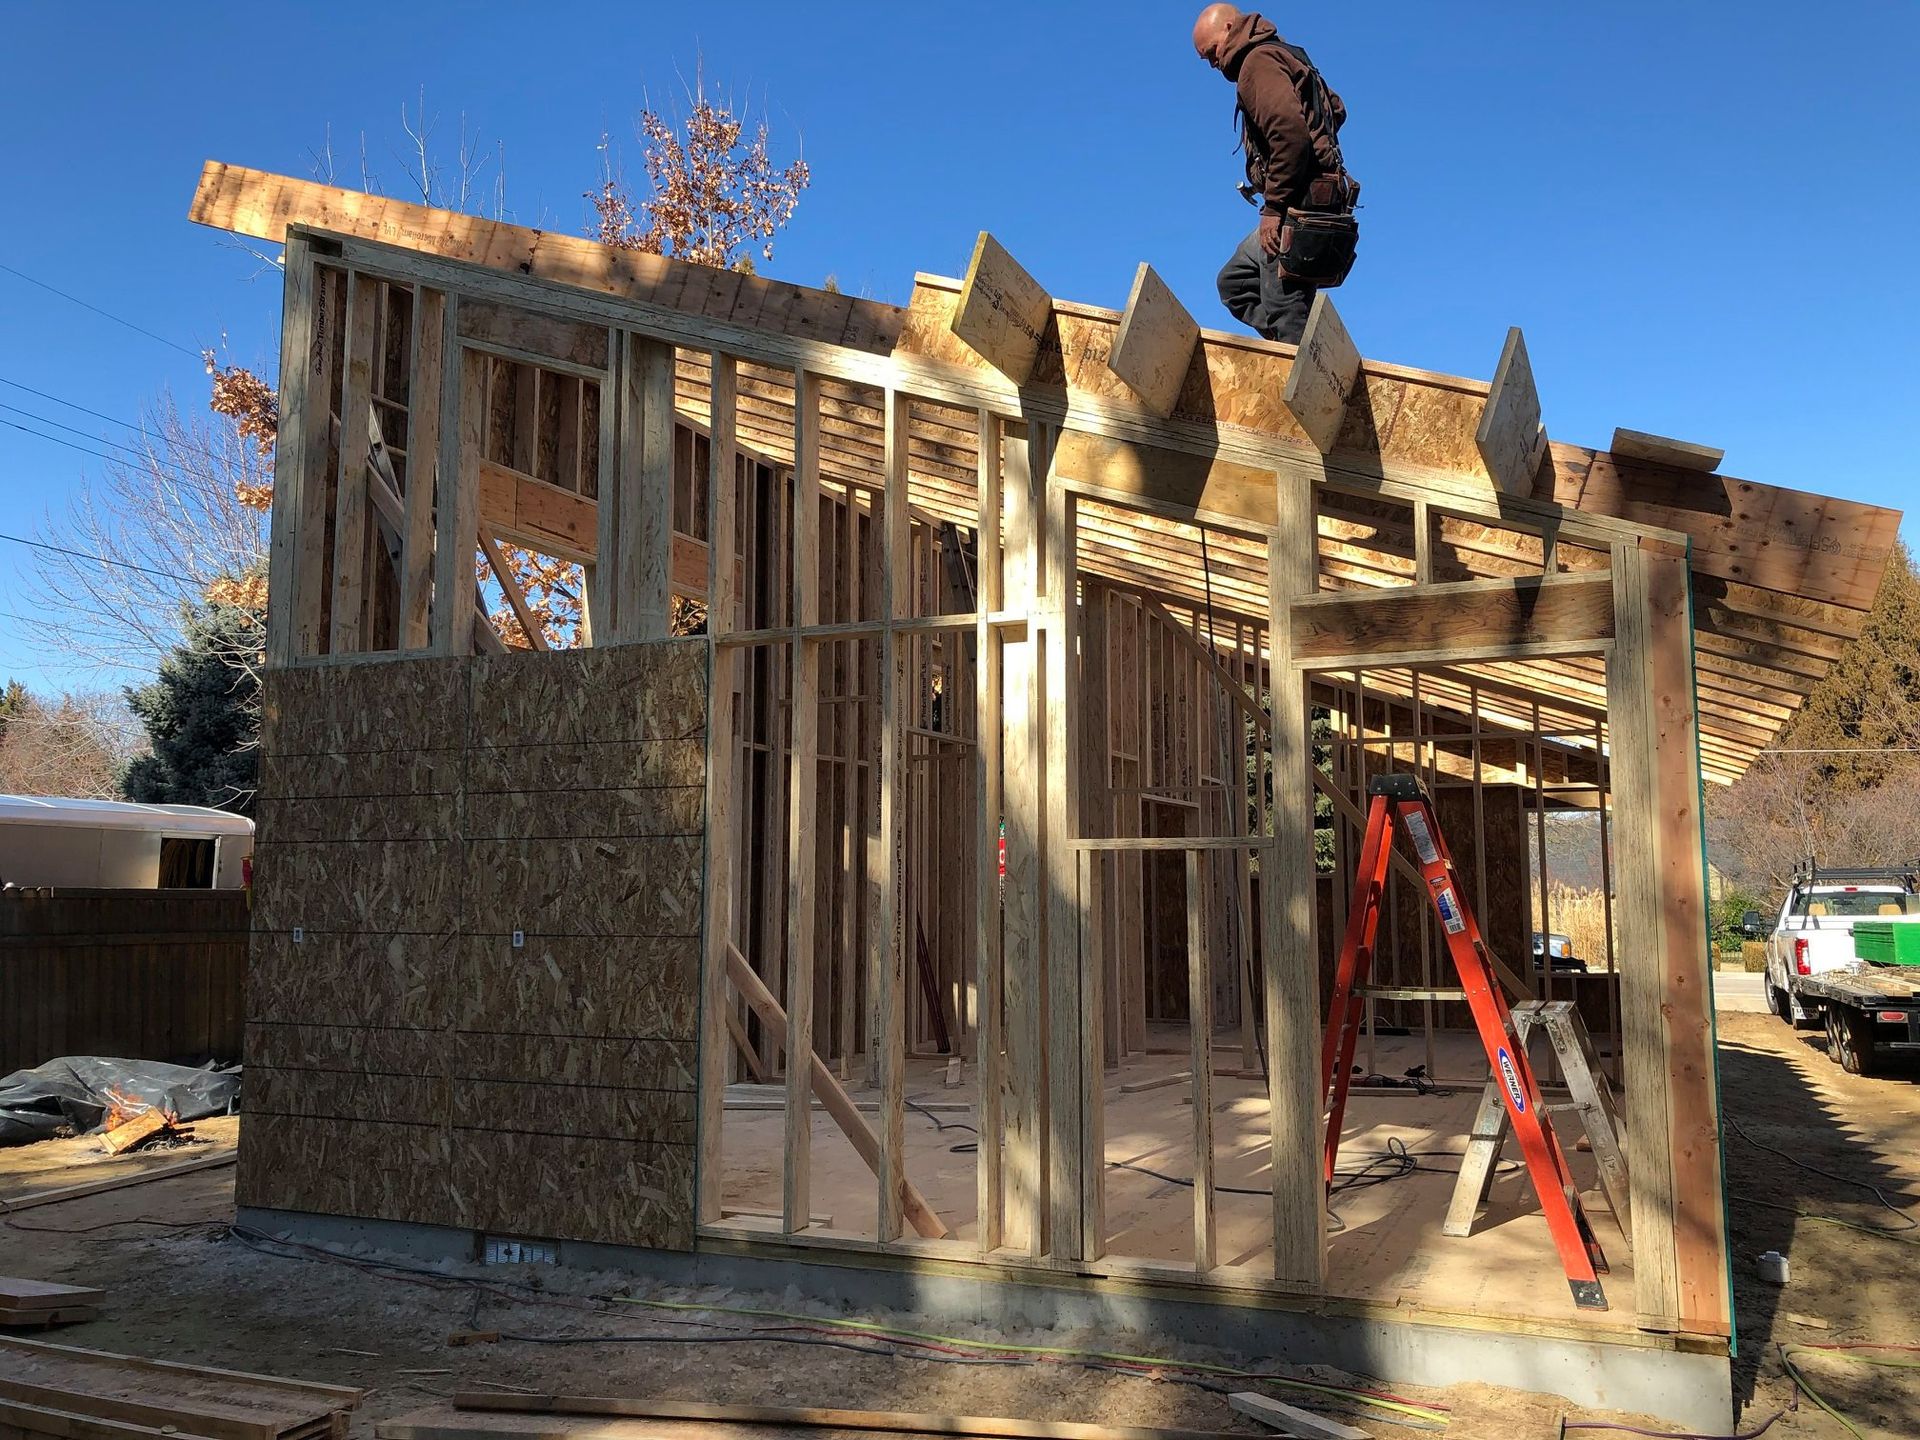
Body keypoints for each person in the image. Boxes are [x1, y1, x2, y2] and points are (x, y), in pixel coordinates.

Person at [1193, 5, 1356, 345]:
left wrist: (1273, 208)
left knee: (1285, 310)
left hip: (1297, 210)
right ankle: (1303, 346)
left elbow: (1291, 137)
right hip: (1313, 203)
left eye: (1211, 53)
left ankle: (1300, 359)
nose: (1212, 64)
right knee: (1235, 282)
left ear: (1228, 28)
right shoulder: (1285, 54)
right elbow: (1336, 108)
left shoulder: (1257, 63)